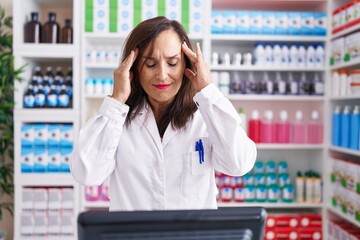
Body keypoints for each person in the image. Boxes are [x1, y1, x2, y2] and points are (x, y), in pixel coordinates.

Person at [70, 16, 257, 211]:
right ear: (133, 68)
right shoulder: (117, 119)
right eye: (150, 64)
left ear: (187, 65)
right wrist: (116, 101)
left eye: (172, 63)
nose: (162, 75)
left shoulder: (204, 115)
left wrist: (207, 89)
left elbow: (239, 163)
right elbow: (86, 173)